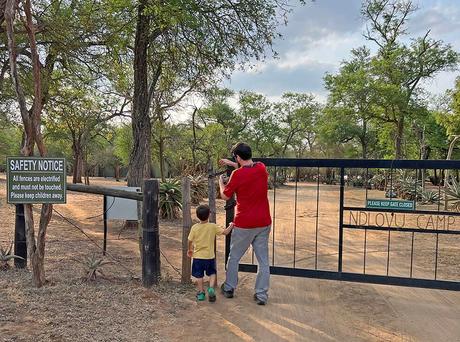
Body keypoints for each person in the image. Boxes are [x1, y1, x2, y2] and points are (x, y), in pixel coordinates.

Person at [218, 142, 272, 305]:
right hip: (263, 222)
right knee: (263, 261)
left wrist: (221, 183)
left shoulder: (237, 175)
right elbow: (247, 168)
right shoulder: (261, 168)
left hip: (244, 224)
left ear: (238, 157)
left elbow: (225, 196)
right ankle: (261, 294)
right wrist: (233, 164)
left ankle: (229, 287)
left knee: (234, 257)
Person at [188, 204, 234, 302]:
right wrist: (231, 225)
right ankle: (211, 288)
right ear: (209, 215)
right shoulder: (212, 226)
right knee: (212, 273)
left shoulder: (194, 227)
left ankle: (201, 293)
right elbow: (225, 232)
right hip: (209, 256)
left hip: (198, 257)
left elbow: (190, 240)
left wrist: (190, 249)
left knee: (199, 276)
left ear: (197, 216)